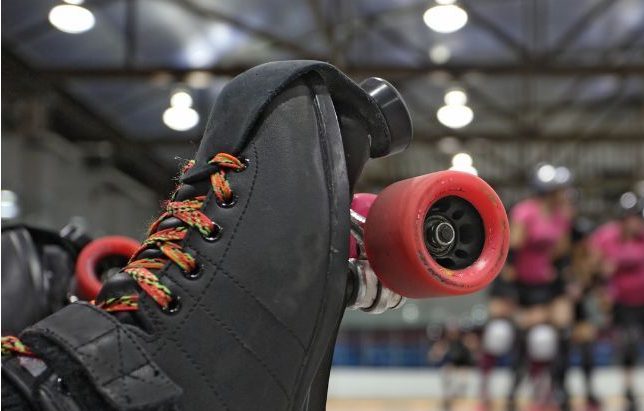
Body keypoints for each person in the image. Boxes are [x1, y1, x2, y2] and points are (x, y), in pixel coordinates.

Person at [505, 165, 575, 411]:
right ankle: (513, 390)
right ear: (548, 191)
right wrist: (512, 295)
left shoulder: (561, 216)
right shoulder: (526, 211)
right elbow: (513, 251)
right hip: (525, 286)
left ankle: (560, 387)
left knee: (562, 331)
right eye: (559, 190)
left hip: (550, 286)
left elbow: (563, 255)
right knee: (524, 337)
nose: (565, 194)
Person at [589, 194, 644, 411]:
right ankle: (627, 390)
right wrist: (603, 272)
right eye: (630, 218)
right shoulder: (606, 236)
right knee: (627, 344)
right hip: (619, 302)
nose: (634, 223)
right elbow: (590, 268)